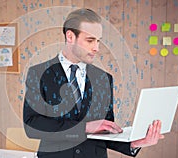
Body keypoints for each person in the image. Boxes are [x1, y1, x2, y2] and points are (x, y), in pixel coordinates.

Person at [23, 8, 164, 158]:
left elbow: (104, 131)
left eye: (98, 41)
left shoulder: (104, 79)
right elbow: (32, 126)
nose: (96, 48)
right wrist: (84, 127)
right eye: (90, 40)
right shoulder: (39, 74)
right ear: (70, 36)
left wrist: (134, 144)